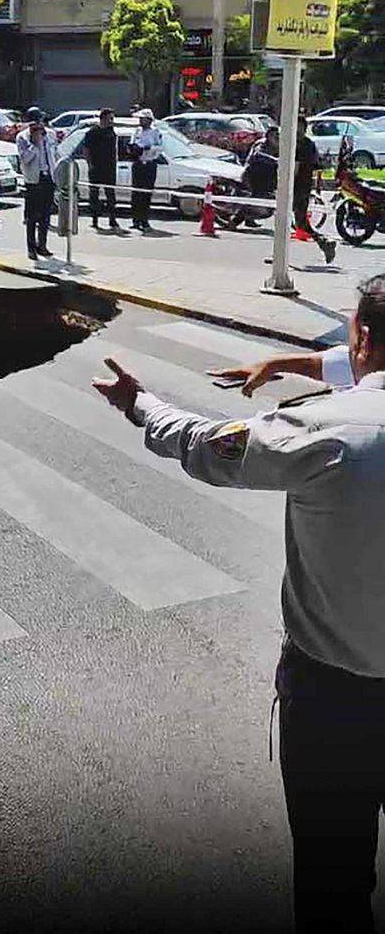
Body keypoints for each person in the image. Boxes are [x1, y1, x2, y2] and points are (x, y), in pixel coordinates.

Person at [93, 273, 385, 934]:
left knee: (334, 888)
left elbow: (204, 443)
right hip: (330, 701)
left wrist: (140, 404)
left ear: (362, 336)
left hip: (332, 709)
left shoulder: (320, 428)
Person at [210, 342, 354, 396]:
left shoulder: (353, 362)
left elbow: (308, 364)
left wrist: (270, 366)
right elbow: (309, 364)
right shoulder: (352, 363)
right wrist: (270, 366)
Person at [294, 113, 336, 264]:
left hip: (298, 186)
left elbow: (296, 167)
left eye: (299, 126)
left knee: (296, 221)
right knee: (297, 222)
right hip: (302, 185)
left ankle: (325, 241)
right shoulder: (304, 143)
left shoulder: (302, 145)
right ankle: (324, 242)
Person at [16, 108, 57, 260]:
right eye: (35, 122)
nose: (39, 125)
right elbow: (25, 159)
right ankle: (31, 247)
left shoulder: (50, 134)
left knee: (46, 215)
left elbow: (54, 154)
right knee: (32, 216)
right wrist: (35, 143)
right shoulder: (22, 137)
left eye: (40, 122)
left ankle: (42, 245)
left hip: (48, 177)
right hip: (33, 179)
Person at [229, 124, 279, 230]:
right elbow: (258, 155)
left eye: (277, 135)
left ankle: (249, 220)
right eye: (273, 135)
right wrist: (275, 160)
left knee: (265, 197)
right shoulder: (261, 144)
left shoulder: (278, 145)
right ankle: (234, 222)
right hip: (253, 174)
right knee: (253, 199)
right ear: (268, 135)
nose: (275, 137)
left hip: (267, 176)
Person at [84, 108, 119, 230]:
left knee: (111, 195)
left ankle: (112, 219)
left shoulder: (111, 131)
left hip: (109, 168)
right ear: (103, 118)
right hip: (96, 167)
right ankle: (95, 219)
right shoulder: (92, 132)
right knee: (94, 194)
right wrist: (90, 164)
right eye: (110, 118)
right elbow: (86, 150)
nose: (112, 121)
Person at [129, 108, 162, 232]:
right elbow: (132, 144)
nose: (140, 121)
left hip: (149, 164)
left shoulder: (155, 132)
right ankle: (135, 220)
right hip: (138, 164)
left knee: (146, 193)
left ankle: (144, 220)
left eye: (142, 119)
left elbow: (160, 147)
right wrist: (134, 149)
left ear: (149, 120)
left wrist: (149, 148)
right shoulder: (137, 131)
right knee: (136, 193)